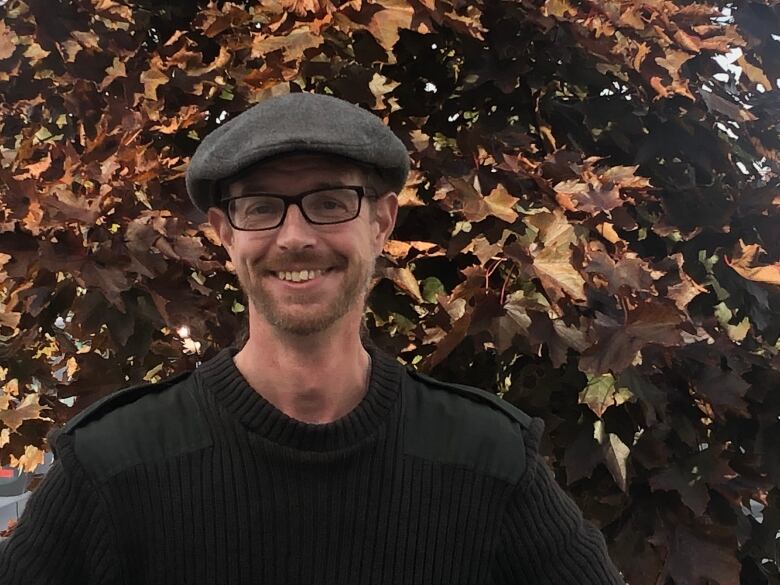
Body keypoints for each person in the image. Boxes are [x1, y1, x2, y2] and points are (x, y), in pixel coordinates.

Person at [0, 92, 624, 584]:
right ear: (225, 234)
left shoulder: (487, 456)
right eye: (263, 207)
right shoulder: (113, 463)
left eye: (329, 202)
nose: (295, 237)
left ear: (381, 223)